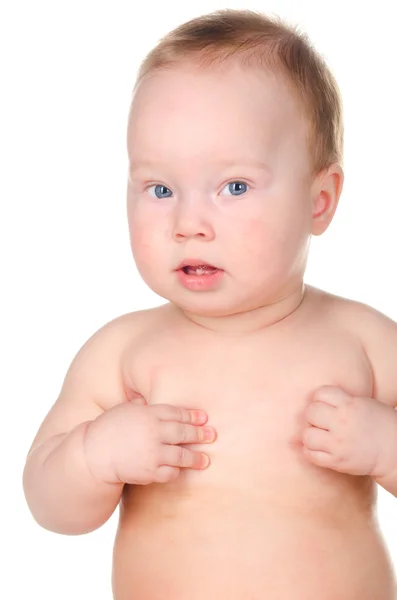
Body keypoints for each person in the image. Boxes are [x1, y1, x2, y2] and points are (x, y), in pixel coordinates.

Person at [22, 8, 397, 599]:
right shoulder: (123, 352)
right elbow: (49, 507)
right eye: (160, 189)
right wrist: (94, 457)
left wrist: (387, 446)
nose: (188, 223)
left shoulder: (366, 341)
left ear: (319, 200)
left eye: (235, 187)